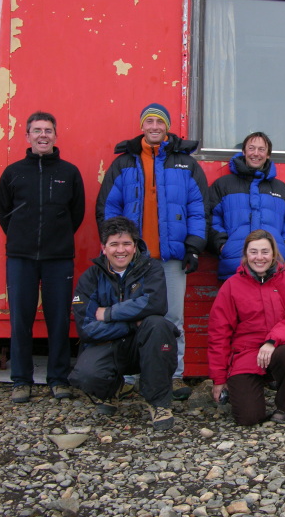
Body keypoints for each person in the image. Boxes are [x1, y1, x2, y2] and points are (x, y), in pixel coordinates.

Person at [95, 103, 207, 400]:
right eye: (150, 121)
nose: (155, 126)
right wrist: (113, 248)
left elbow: (198, 209)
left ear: (167, 126)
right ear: (142, 126)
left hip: (172, 258)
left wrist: (194, 247)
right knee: (130, 316)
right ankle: (130, 376)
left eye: (160, 121)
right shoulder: (124, 163)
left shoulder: (186, 164)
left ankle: (174, 375)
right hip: (133, 260)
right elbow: (109, 208)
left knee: (173, 319)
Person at [0, 111, 85, 404]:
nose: (43, 135)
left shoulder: (69, 173)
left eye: (48, 130)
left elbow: (77, 214)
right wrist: (22, 238)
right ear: (27, 136)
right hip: (20, 257)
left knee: (59, 319)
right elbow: (3, 212)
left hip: (58, 258)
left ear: (55, 136)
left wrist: (55, 239)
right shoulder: (13, 173)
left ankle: (58, 379)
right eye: (37, 130)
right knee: (20, 320)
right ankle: (21, 380)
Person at [69, 217, 178, 431]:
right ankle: (111, 391)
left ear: (135, 245)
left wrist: (109, 313)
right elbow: (86, 328)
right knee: (86, 375)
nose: (121, 250)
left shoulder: (151, 268)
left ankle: (159, 404)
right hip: (110, 345)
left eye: (127, 243)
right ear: (103, 248)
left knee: (158, 326)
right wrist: (130, 324)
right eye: (114, 244)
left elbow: (156, 304)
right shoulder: (91, 277)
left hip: (143, 344)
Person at [208, 229, 285, 425]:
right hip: (246, 355)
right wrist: (219, 379)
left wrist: (273, 340)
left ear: (273, 253)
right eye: (253, 252)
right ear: (246, 254)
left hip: (277, 349)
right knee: (248, 419)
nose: (259, 257)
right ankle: (246, 388)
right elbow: (219, 334)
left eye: (265, 251)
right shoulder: (232, 286)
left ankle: (283, 404)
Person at [208, 132, 285, 280]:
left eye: (261, 149)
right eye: (251, 148)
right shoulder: (223, 185)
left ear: (268, 154)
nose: (256, 154)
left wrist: (282, 251)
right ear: (244, 152)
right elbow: (210, 220)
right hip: (234, 268)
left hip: (272, 271)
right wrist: (223, 247)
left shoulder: (281, 190)